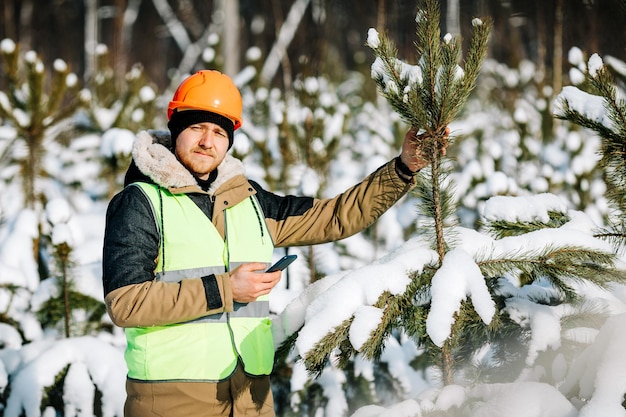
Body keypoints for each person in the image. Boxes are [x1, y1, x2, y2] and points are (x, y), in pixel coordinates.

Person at [102, 69, 444, 417]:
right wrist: (226, 289)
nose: (208, 141)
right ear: (176, 129)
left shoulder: (248, 200)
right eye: (196, 128)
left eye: (219, 132)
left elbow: (336, 216)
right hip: (172, 401)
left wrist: (403, 168)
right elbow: (125, 303)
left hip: (251, 397)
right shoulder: (140, 203)